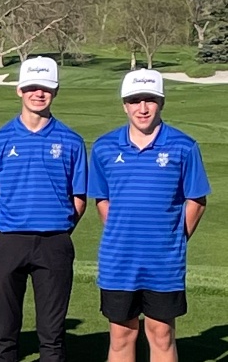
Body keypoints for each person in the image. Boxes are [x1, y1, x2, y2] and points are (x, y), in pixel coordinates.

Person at [88, 69, 209, 362]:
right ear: (124, 104)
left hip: (163, 262)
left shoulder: (184, 146)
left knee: (161, 334)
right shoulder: (104, 147)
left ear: (161, 102)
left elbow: (196, 199)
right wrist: (122, 232)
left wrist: (175, 238)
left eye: (150, 100)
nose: (142, 108)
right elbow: (102, 199)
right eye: (135, 100)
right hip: (118, 260)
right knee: (121, 336)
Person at [0, 56, 87, 362]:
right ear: (20, 90)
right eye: (32, 88)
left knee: (52, 335)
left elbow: (79, 198)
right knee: (4, 330)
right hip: (9, 241)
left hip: (54, 243)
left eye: (45, 88)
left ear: (55, 91)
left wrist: (59, 226)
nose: (38, 94)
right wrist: (8, 222)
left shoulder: (72, 142)